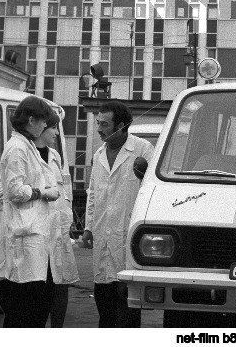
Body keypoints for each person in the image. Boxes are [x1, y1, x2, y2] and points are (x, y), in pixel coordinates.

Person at [79, 101, 156, 328]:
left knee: (127, 305)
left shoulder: (143, 150)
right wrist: (88, 227)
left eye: (104, 124)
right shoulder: (99, 153)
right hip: (103, 234)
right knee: (104, 300)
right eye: (98, 123)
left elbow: (151, 190)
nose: (99, 129)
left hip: (127, 236)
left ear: (121, 126)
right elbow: (93, 193)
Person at [0, 96, 61, 327]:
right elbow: (13, 191)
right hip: (24, 236)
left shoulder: (27, 146)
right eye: (43, 121)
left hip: (34, 234)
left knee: (37, 305)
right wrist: (43, 192)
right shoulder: (16, 148)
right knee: (25, 310)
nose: (46, 126)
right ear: (31, 120)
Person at [35, 118, 79, 328]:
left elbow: (64, 191)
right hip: (36, 234)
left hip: (58, 231)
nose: (56, 133)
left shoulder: (55, 156)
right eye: (53, 128)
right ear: (40, 128)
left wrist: (66, 221)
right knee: (39, 292)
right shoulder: (24, 154)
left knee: (61, 285)